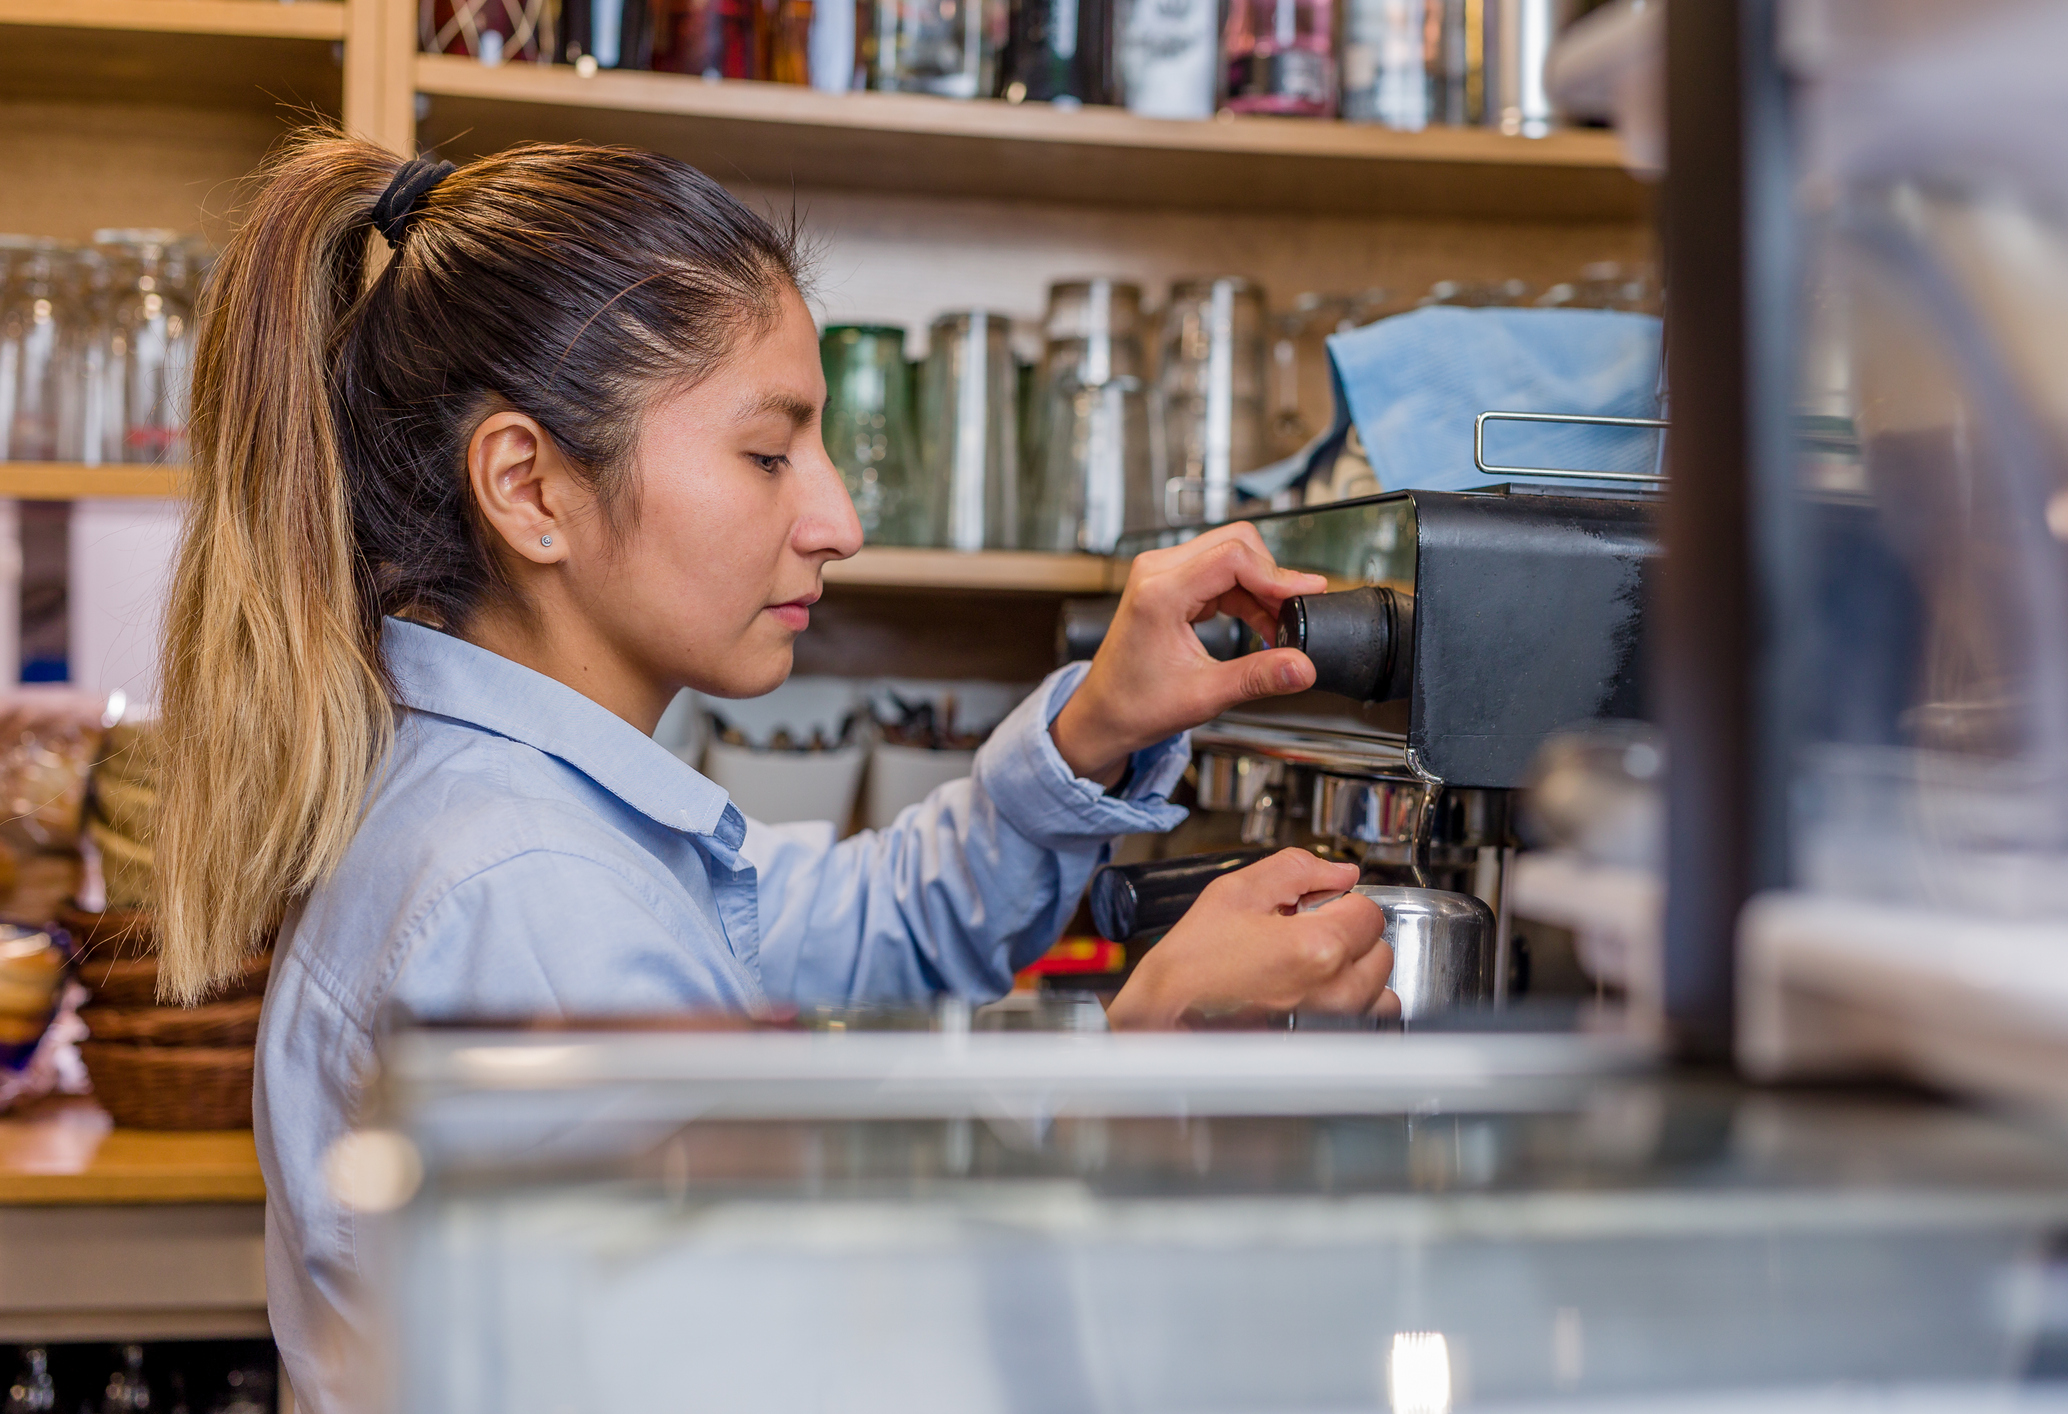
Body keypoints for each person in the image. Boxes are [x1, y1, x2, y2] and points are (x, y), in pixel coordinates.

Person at [155, 135, 1392, 1412]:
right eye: (768, 454)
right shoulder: (527, 894)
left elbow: (844, 929)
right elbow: (789, 1365)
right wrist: (1142, 1082)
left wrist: (1092, 735)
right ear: (531, 488)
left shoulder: (531, 816)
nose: (839, 521)